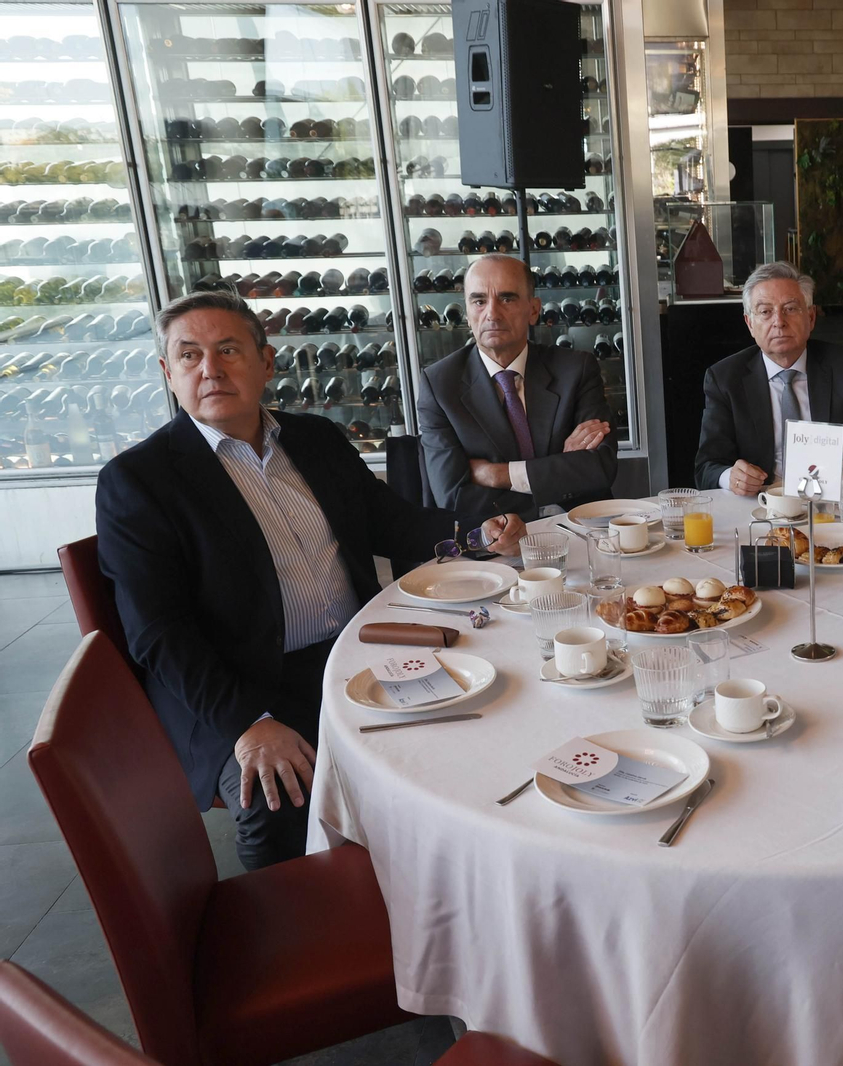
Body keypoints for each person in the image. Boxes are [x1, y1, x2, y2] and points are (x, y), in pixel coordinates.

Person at [96, 289, 525, 869]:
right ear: (167, 371)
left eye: (228, 350)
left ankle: (444, 885)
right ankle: (292, 932)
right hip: (237, 686)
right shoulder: (139, 480)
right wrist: (248, 723)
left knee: (487, 716)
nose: (211, 369)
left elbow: (391, 523)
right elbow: (158, 633)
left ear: (267, 362)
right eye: (190, 355)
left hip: (353, 655)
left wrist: (477, 534)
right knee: (279, 793)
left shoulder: (314, 438)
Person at [417, 253, 617, 519]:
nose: (492, 313)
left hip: (580, 530)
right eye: (479, 301)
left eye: (507, 298)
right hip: (496, 542)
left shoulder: (575, 369)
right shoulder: (440, 384)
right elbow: (454, 496)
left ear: (534, 310)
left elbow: (599, 468)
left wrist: (494, 474)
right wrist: (554, 476)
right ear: (467, 313)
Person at [694, 261, 843, 496]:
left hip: (831, 502)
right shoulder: (725, 379)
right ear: (750, 324)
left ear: (810, 317)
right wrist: (732, 477)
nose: (778, 321)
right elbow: (707, 467)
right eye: (765, 312)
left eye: (790, 308)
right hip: (761, 504)